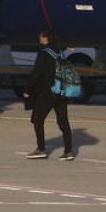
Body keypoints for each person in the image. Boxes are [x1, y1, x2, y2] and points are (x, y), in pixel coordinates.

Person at [24, 30, 75, 160]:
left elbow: (37, 73)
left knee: (37, 120)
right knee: (63, 122)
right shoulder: (60, 53)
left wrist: (28, 89)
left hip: (48, 92)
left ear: (45, 38)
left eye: (40, 36)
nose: (39, 38)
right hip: (62, 92)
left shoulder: (44, 53)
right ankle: (68, 152)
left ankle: (41, 149)